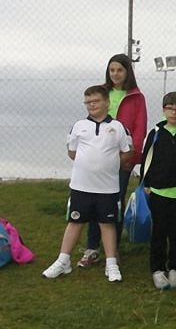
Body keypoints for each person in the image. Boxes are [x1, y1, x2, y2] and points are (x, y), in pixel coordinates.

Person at [42, 85, 133, 282]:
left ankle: (111, 264)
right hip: (81, 186)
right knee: (75, 221)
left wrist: (106, 163)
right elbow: (72, 152)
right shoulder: (78, 126)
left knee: (107, 224)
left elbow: (127, 153)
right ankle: (63, 261)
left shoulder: (118, 127)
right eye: (88, 102)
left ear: (106, 102)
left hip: (108, 188)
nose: (92, 105)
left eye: (96, 101)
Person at [81, 54, 146, 269]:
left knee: (114, 202)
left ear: (127, 71)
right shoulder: (101, 91)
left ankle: (112, 248)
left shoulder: (136, 97)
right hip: (98, 158)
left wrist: (131, 157)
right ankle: (92, 248)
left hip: (121, 160)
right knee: (93, 201)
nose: (115, 74)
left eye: (119, 70)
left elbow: (139, 129)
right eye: (112, 70)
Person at [141, 92, 176, 290]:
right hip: (158, 193)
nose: (174, 112)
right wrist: (146, 183)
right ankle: (157, 269)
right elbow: (146, 160)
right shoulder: (156, 132)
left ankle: (174, 268)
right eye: (170, 108)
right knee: (158, 233)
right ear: (164, 110)